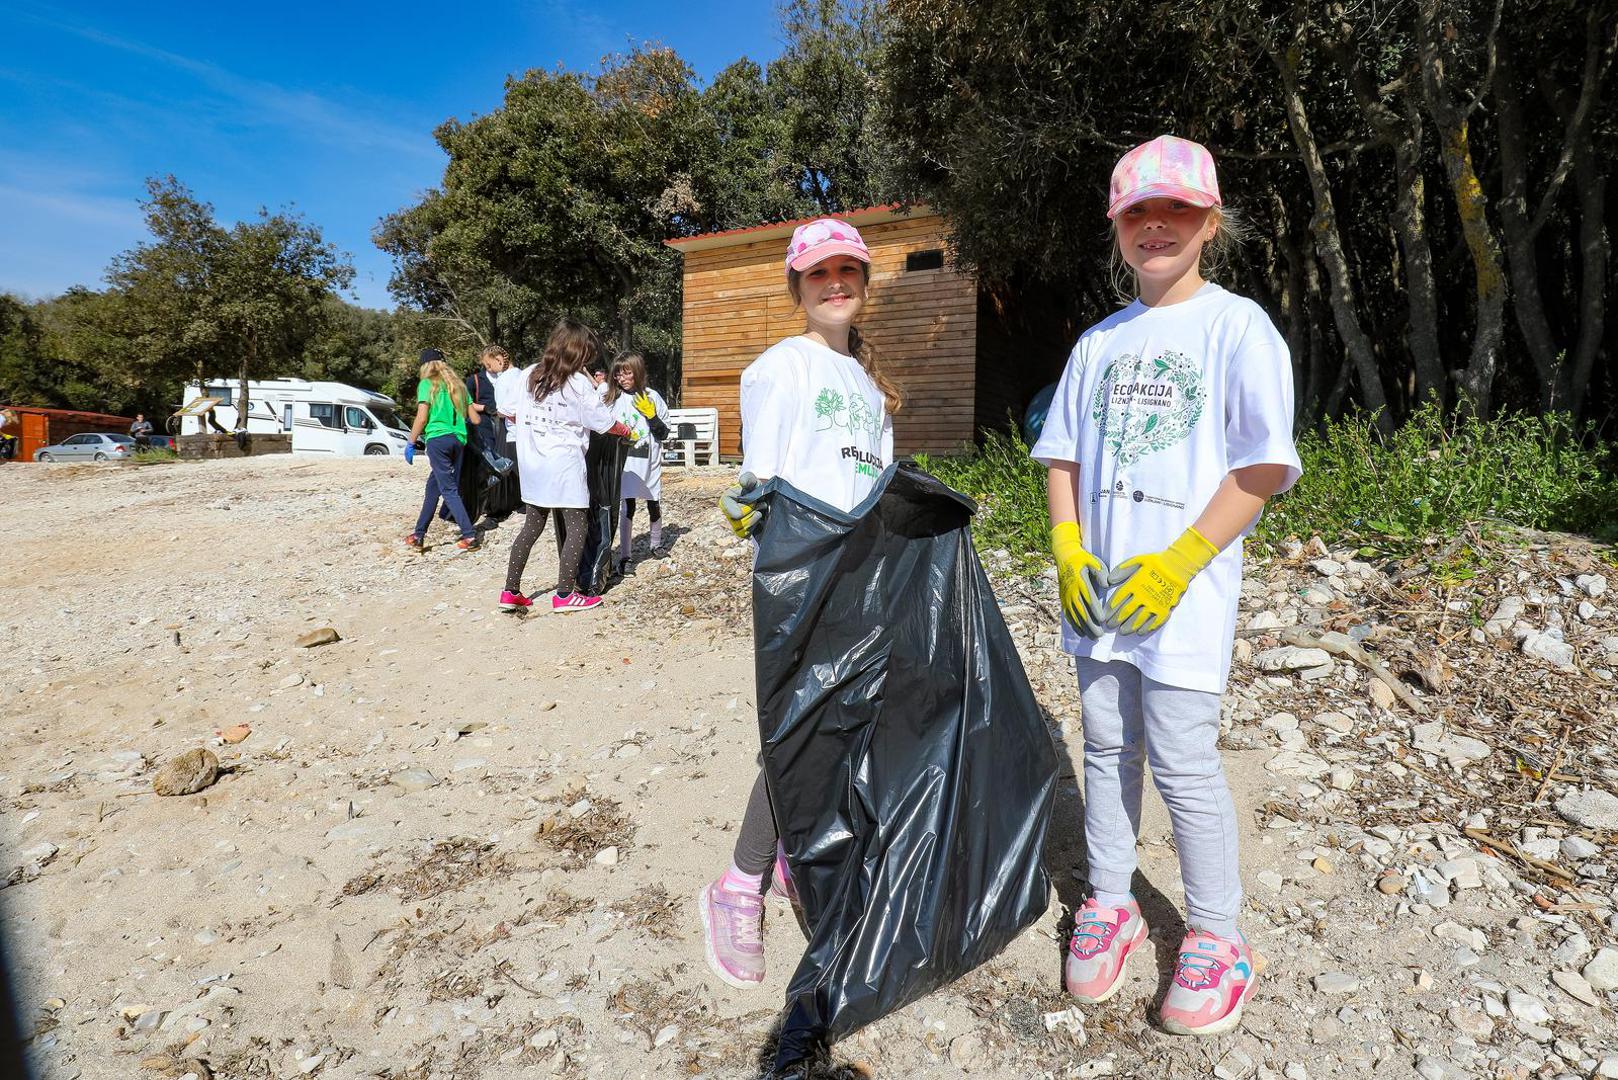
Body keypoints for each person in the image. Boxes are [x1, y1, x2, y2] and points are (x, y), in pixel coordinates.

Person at [1030, 135, 1301, 1037]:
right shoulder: (1099, 342)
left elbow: (1263, 465)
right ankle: (1109, 901)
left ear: (1209, 222)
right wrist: (1068, 548)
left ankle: (1218, 937)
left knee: (1184, 761)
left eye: (1176, 210)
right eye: (1139, 212)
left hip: (1182, 602)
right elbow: (1060, 456)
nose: (1157, 226)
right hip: (1098, 598)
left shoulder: (1237, 326)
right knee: (1105, 747)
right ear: (1116, 228)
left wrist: (1184, 560)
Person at [703, 218, 899, 988]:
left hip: (863, 579)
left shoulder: (869, 385)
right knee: (798, 733)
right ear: (797, 285)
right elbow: (766, 489)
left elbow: (876, 488)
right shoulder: (779, 369)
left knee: (846, 726)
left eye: (848, 271)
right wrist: (754, 520)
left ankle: (795, 855)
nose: (835, 284)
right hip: (803, 583)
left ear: (863, 282)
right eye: (819, 274)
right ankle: (737, 883)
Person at [496, 319, 632, 614]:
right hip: (564, 466)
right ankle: (565, 594)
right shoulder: (577, 383)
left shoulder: (530, 374)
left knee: (532, 526)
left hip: (533, 464)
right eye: (586, 354)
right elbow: (602, 422)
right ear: (577, 352)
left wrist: (535, 425)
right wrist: (625, 431)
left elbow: (507, 412)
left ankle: (510, 591)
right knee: (577, 526)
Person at [404, 349, 481, 552]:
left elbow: (421, 417)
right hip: (458, 440)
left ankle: (469, 535)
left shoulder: (427, 384)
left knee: (448, 490)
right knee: (433, 488)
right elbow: (475, 419)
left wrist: (411, 442)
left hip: (438, 440)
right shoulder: (459, 386)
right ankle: (418, 535)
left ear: (425, 367)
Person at [605, 353, 670, 575]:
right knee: (627, 506)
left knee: (654, 501)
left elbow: (664, 434)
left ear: (638, 371)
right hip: (626, 464)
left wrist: (651, 416)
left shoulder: (653, 397)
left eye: (627, 373)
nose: (622, 378)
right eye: (618, 374)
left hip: (649, 462)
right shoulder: (613, 400)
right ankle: (625, 556)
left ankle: (655, 544)